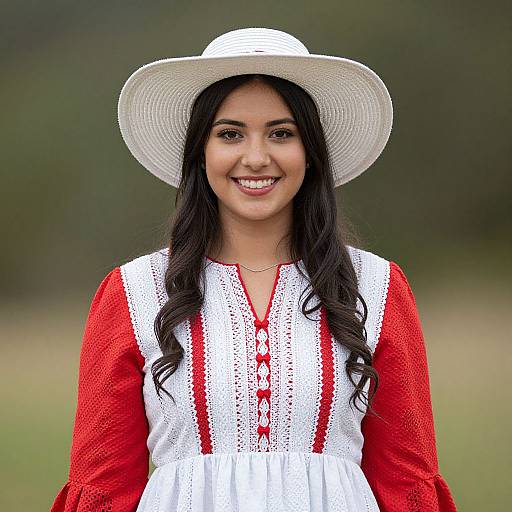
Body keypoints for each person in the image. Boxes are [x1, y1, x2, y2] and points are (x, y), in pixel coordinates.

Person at [50, 27, 457, 511]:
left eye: (282, 133)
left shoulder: (377, 287)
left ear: (311, 153)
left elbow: (405, 479)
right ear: (201, 153)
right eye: (230, 134)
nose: (257, 157)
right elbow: (104, 485)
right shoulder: (134, 293)